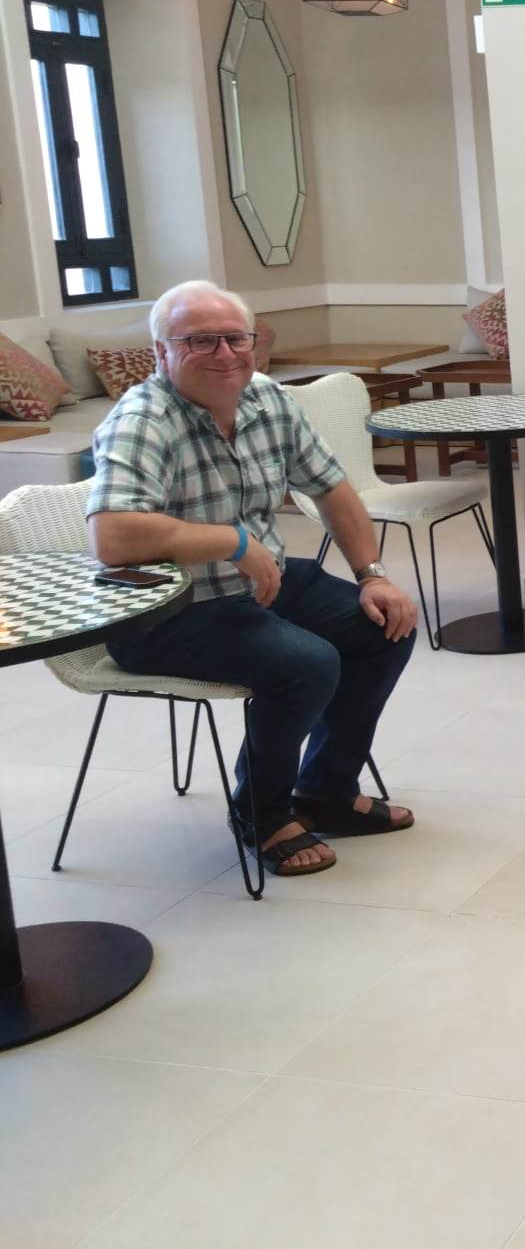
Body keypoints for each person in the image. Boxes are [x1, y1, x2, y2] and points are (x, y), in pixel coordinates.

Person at [88, 280, 420, 878]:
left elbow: (332, 489)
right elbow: (113, 538)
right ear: (161, 352)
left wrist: (372, 575)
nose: (225, 354)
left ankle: (325, 790)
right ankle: (262, 815)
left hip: (256, 587)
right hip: (166, 609)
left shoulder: (266, 398)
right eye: (200, 341)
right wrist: (231, 541)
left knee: (384, 624)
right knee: (305, 663)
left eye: (236, 338)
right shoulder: (142, 421)